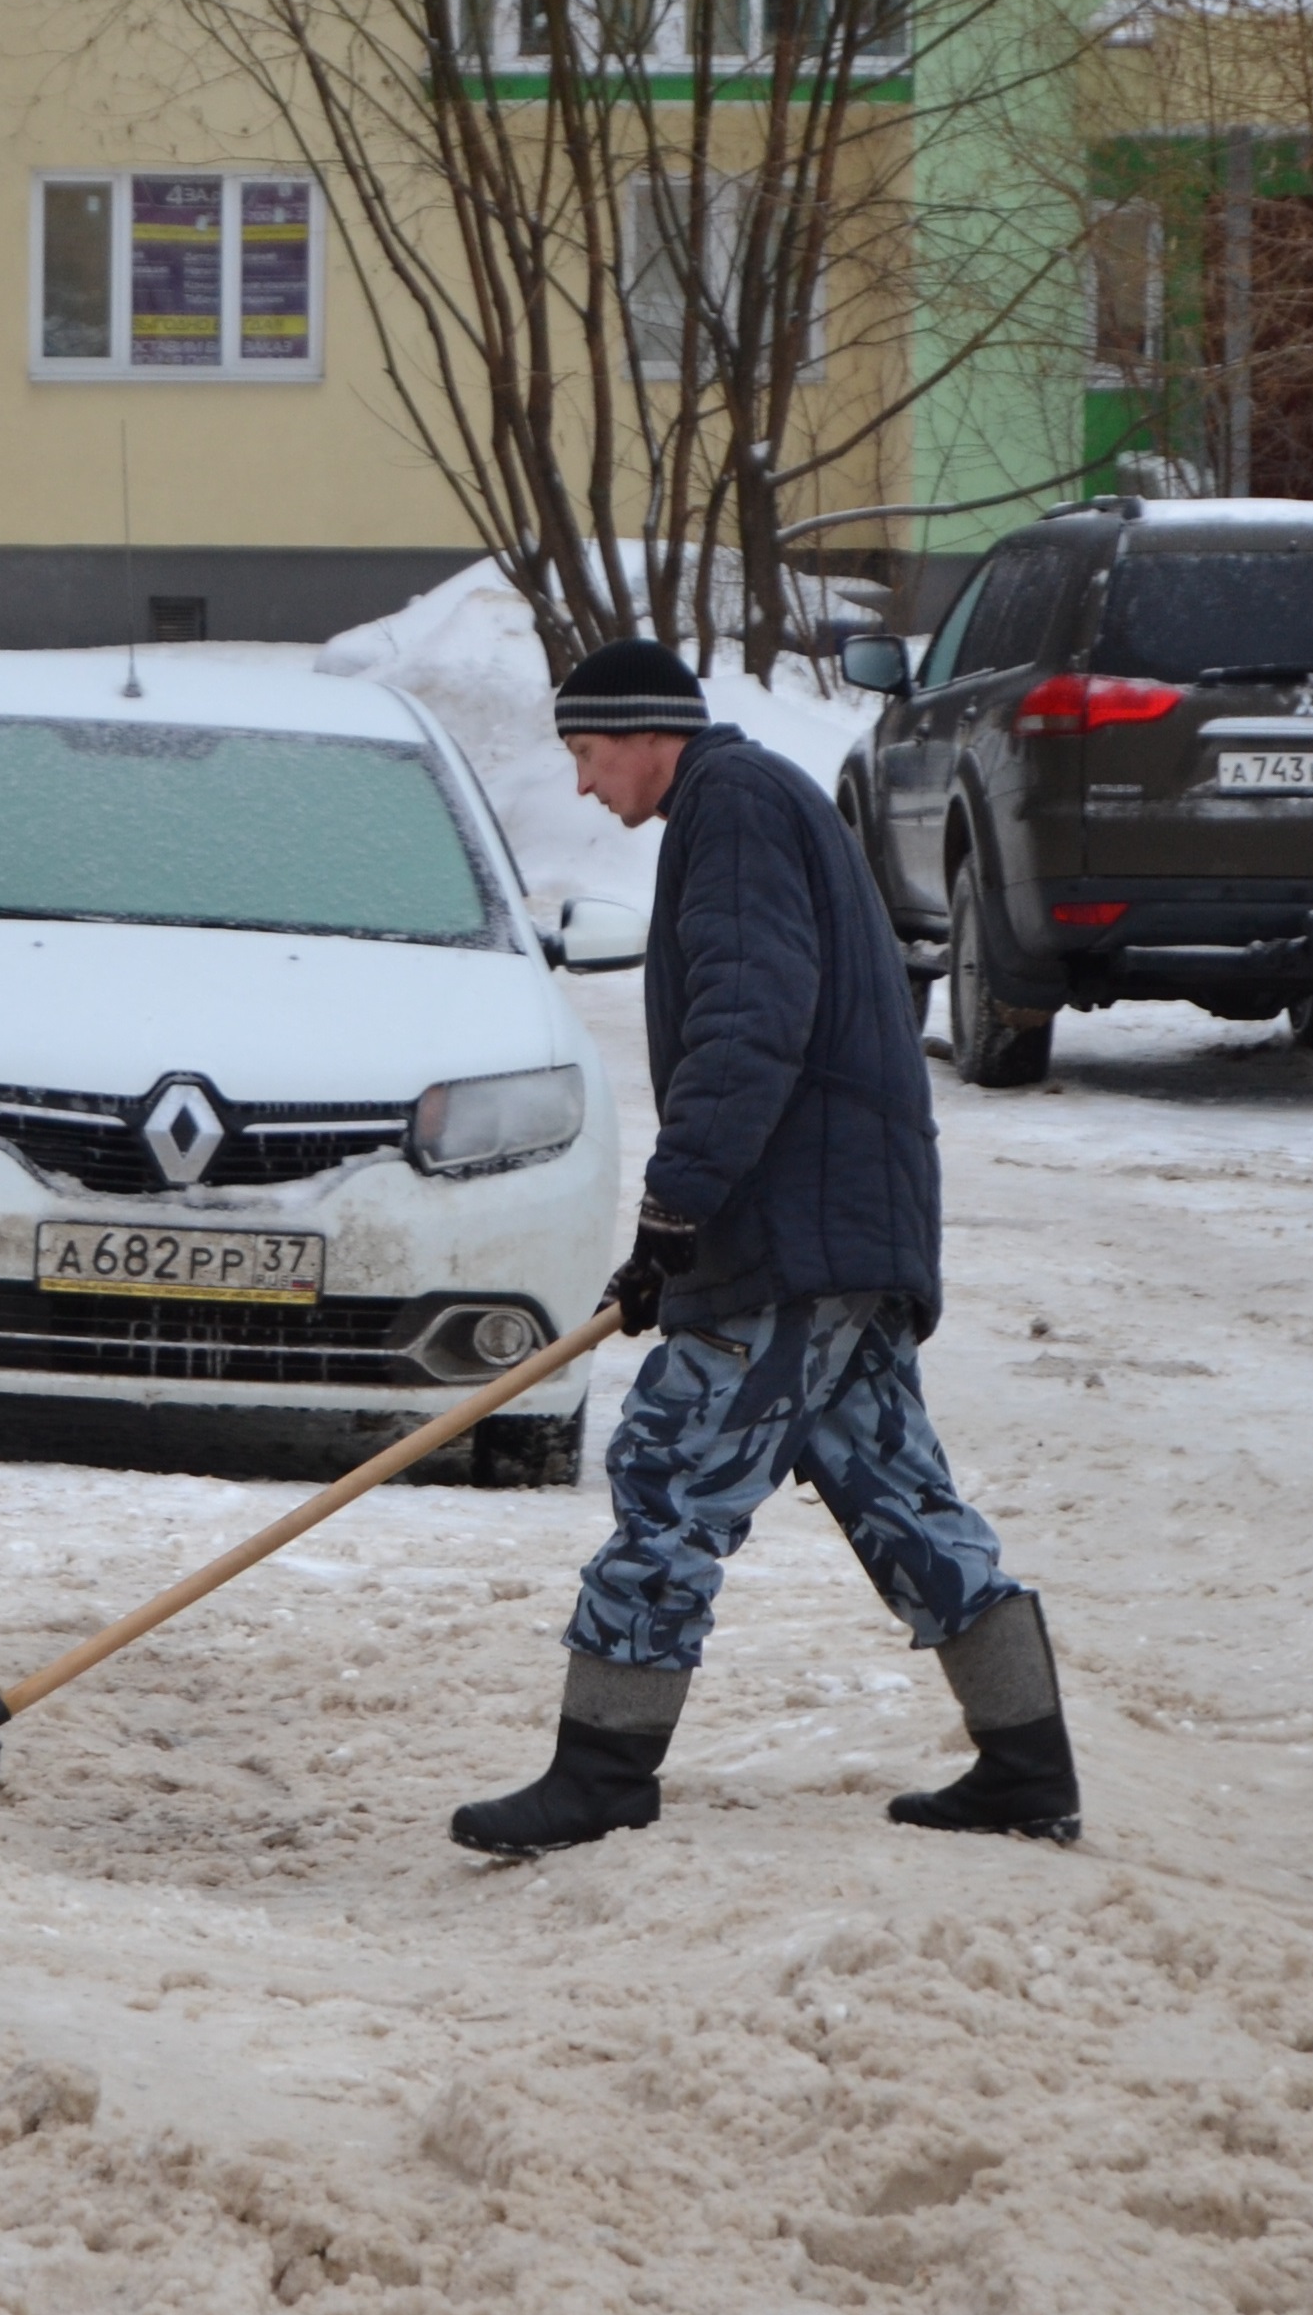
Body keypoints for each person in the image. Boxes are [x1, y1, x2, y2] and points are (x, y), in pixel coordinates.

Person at [451, 637, 1081, 1855]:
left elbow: (748, 1023)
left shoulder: (731, 808)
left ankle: (602, 1772)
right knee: (900, 1496)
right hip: (843, 1228)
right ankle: (1025, 1763)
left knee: (669, 1467)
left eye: (586, 753)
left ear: (646, 735)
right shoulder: (753, 802)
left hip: (796, 1233)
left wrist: (676, 1212)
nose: (583, 784)